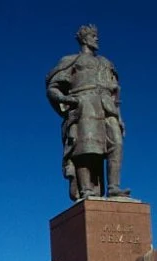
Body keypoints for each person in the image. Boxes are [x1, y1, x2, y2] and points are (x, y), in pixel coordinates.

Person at [46, 25, 130, 201]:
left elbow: (116, 93)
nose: (96, 39)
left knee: (117, 143)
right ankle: (86, 190)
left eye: (96, 36)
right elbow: (53, 87)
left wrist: (120, 117)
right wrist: (66, 100)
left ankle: (114, 188)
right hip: (85, 102)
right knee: (86, 147)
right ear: (84, 39)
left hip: (107, 106)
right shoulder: (72, 60)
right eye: (93, 36)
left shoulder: (107, 63)